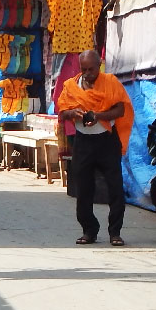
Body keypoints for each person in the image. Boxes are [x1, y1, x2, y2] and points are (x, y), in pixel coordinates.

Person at [56, 50, 134, 247]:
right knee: (83, 189)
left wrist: (98, 115)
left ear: (100, 65)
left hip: (107, 141)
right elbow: (63, 111)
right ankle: (89, 230)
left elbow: (121, 109)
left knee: (115, 188)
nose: (88, 73)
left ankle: (115, 232)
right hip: (83, 142)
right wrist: (74, 112)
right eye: (84, 69)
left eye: (91, 69)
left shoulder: (110, 82)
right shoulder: (72, 86)